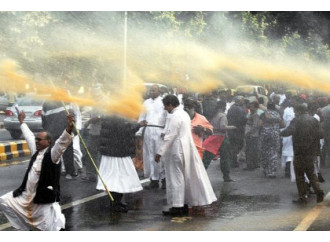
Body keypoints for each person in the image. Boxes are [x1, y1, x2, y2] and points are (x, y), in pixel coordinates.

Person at [0, 110, 74, 231]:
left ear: (48, 142)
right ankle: (24, 228)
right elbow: (29, 136)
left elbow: (61, 143)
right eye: (37, 139)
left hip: (43, 200)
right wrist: (22, 122)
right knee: (4, 201)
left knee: (46, 229)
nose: (37, 141)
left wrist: (69, 128)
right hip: (26, 196)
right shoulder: (36, 150)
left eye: (40, 140)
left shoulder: (53, 155)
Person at [155, 95, 217, 216]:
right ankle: (182, 203)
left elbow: (170, 136)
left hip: (176, 150)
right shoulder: (183, 115)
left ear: (170, 105)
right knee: (182, 177)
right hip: (184, 149)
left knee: (176, 178)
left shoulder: (175, 116)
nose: (165, 108)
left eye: (165, 106)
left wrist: (159, 152)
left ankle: (178, 206)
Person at [96, 115, 146, 212]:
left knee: (115, 179)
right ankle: (115, 203)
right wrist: (139, 125)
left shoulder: (109, 115)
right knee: (118, 179)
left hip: (112, 151)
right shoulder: (116, 117)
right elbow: (125, 129)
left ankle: (116, 202)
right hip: (117, 151)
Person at [280, 104, 324, 204]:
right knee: (311, 173)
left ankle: (302, 197)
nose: (294, 113)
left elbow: (288, 132)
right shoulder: (314, 120)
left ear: (298, 111)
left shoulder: (296, 120)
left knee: (299, 175)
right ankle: (318, 190)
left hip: (299, 151)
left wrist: (280, 133)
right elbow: (321, 135)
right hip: (311, 152)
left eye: (295, 111)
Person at [137, 84, 167, 189]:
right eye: (150, 90)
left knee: (160, 155)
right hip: (148, 130)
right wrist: (139, 132)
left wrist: (166, 131)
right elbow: (142, 117)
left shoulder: (164, 101)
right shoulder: (146, 102)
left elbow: (168, 117)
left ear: (159, 91)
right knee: (149, 155)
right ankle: (153, 180)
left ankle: (164, 179)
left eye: (154, 90)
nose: (152, 92)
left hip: (160, 130)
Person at [42, 99, 77, 180]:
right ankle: (69, 172)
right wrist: (73, 130)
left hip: (52, 132)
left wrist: (47, 129)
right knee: (67, 151)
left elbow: (43, 120)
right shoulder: (65, 100)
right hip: (64, 130)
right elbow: (72, 116)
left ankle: (54, 171)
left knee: (53, 152)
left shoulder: (46, 103)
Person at [203, 100, 236, 181]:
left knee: (206, 159)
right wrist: (233, 127)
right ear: (224, 107)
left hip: (212, 138)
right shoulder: (222, 115)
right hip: (222, 138)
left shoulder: (214, 115)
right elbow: (222, 126)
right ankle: (226, 177)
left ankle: (200, 176)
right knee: (225, 158)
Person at [258, 101, 284, 178]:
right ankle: (272, 172)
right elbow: (283, 125)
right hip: (275, 135)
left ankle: (266, 169)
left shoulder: (263, 114)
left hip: (265, 134)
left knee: (264, 151)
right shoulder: (278, 114)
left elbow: (259, 124)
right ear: (274, 107)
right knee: (273, 152)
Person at [226, 96, 247, 168]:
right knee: (237, 145)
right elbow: (243, 119)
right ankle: (233, 161)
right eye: (242, 100)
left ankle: (233, 160)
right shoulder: (239, 109)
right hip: (238, 129)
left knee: (233, 145)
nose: (243, 101)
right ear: (238, 101)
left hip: (232, 129)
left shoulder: (231, 108)